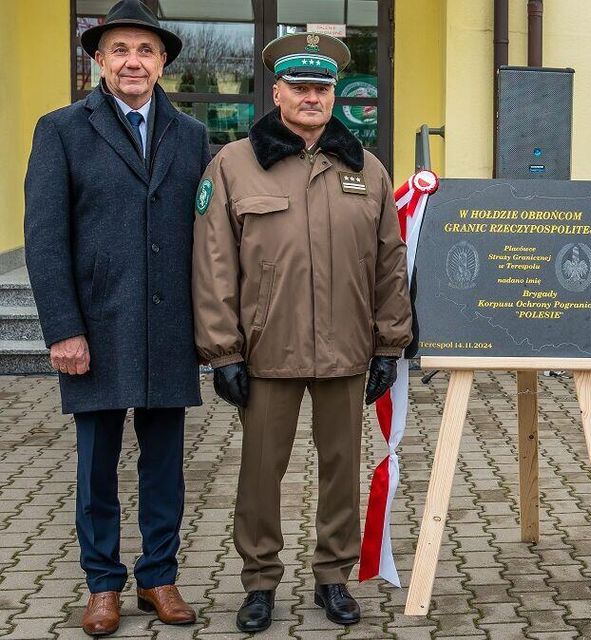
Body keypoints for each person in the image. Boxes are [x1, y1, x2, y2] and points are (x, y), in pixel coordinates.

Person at [192, 33, 412, 633]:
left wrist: (389, 343)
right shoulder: (234, 164)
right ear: (278, 92)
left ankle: (333, 575)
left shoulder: (365, 168)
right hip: (268, 349)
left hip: (347, 348)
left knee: (342, 468)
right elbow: (214, 263)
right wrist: (222, 350)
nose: (312, 97)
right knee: (261, 473)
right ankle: (260, 581)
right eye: (300, 87)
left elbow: (389, 262)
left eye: (322, 88)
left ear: (333, 95)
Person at [23, 0, 207, 635]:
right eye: (121, 50)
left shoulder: (191, 135)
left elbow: (206, 234)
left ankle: (159, 576)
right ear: (99, 60)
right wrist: (63, 329)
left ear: (162, 64)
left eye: (146, 50)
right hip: (96, 327)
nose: (134, 61)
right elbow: (45, 239)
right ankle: (102, 584)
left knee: (165, 466)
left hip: (169, 326)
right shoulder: (61, 130)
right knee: (96, 466)